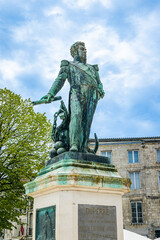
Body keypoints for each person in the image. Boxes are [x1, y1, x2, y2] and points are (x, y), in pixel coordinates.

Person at [41, 41, 104, 152]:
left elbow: (99, 82)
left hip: (92, 94)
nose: (85, 51)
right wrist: (50, 93)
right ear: (75, 52)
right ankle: (74, 144)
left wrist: (100, 89)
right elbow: (60, 79)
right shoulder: (69, 65)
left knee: (87, 121)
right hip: (77, 91)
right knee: (76, 116)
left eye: (85, 49)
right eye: (81, 49)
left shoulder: (93, 68)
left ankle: (83, 146)